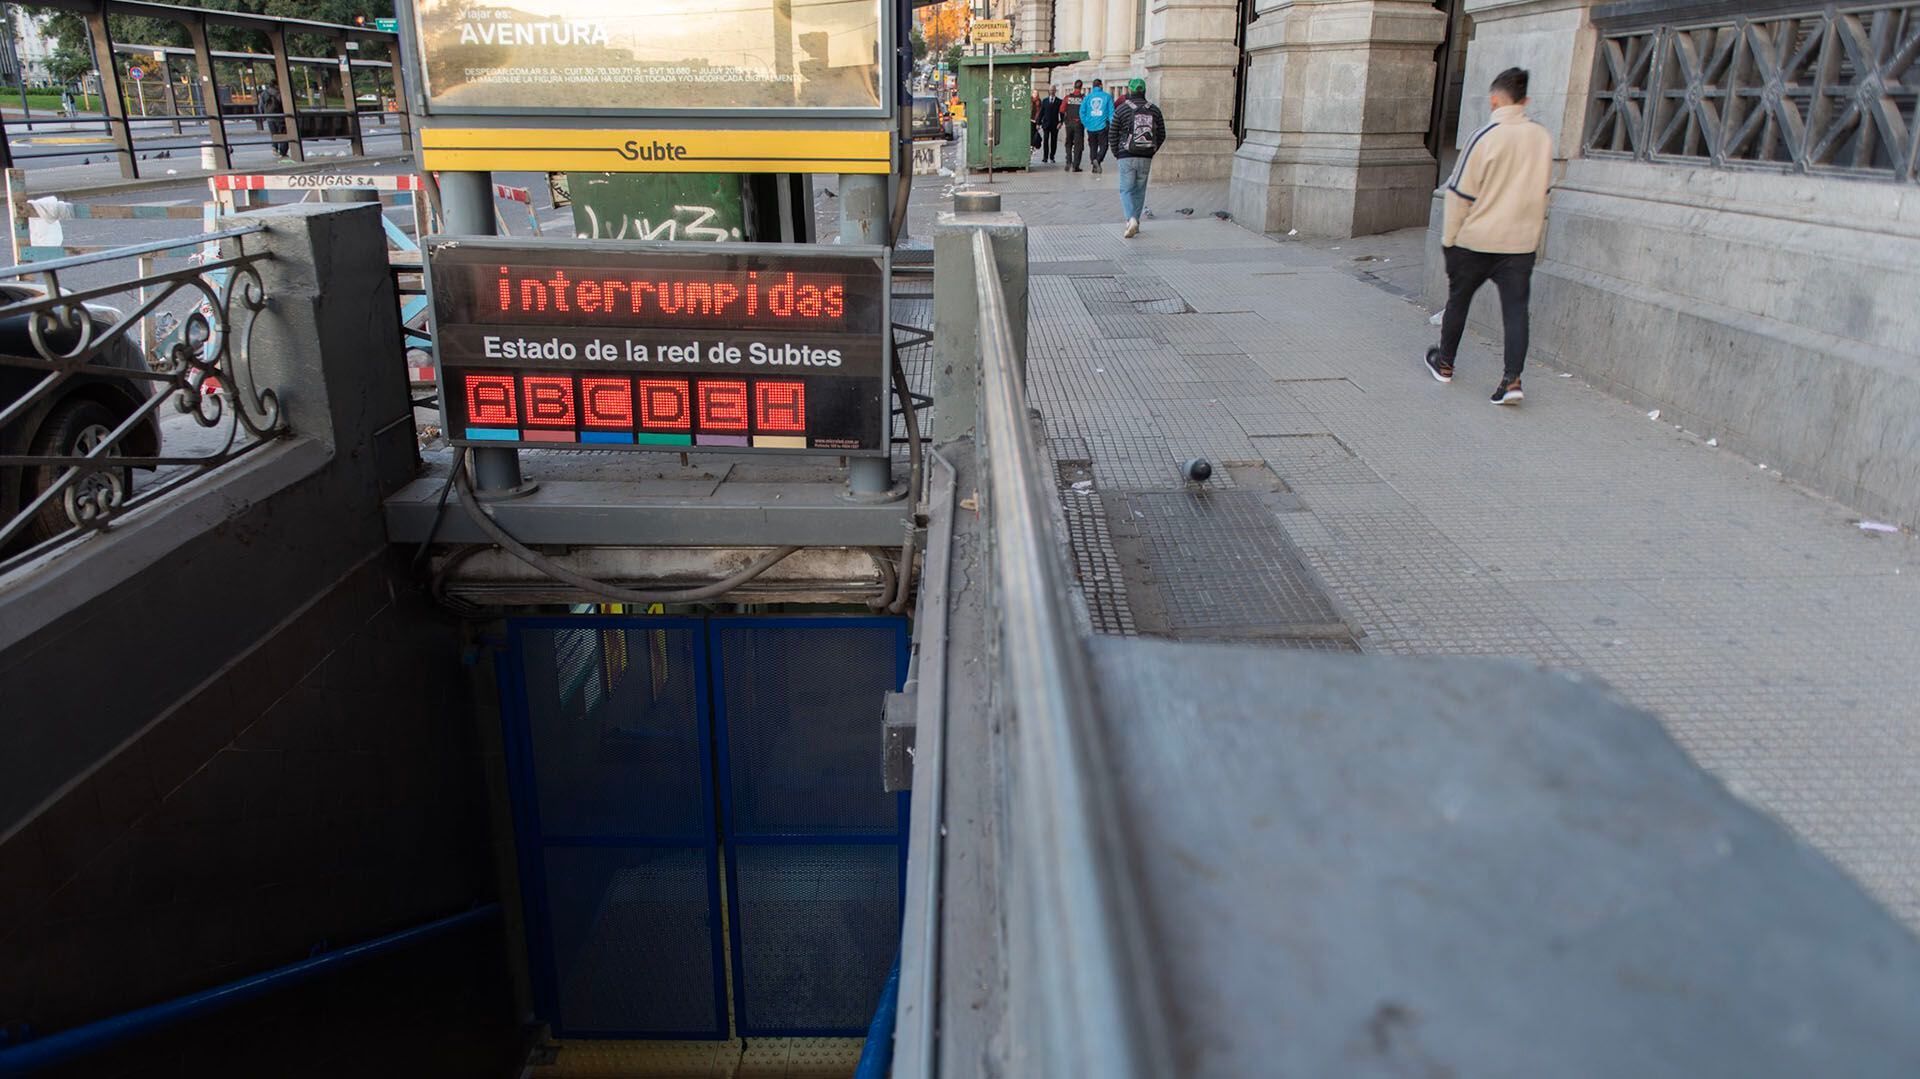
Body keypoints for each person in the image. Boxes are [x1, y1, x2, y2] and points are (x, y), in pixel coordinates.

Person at [1425, 66, 1553, 406]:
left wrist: (1449, 241)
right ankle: (1512, 381)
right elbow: (1544, 192)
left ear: (1494, 100)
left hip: (1477, 241)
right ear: (1524, 101)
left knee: (1458, 302)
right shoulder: (1541, 138)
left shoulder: (1485, 136)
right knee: (1515, 312)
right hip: (1520, 243)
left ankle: (1446, 363)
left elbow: (1459, 193)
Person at [1109, 78, 1164, 239]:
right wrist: (1152, 151)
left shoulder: (1121, 110)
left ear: (1130, 91)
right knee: (1139, 190)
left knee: (1126, 189)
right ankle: (1137, 222)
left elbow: (1113, 133)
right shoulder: (1154, 110)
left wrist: (1117, 153)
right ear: (1144, 91)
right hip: (1146, 156)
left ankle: (1130, 219)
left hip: (1126, 155)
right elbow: (1162, 134)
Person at [1081, 78, 1114, 174]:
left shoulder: (1087, 97)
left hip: (1090, 126)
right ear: (1101, 86)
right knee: (1104, 146)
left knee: (1092, 147)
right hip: (1102, 125)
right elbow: (1112, 113)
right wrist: (1112, 125)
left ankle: (1094, 165)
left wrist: (1086, 123)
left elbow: (1082, 112)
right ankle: (1098, 160)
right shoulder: (1107, 97)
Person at [1062, 79, 1087, 172]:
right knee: (1078, 145)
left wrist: (1063, 120)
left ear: (1074, 86)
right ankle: (1075, 166)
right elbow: (1086, 110)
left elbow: (1062, 110)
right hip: (1079, 124)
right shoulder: (1083, 98)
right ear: (1081, 87)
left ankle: (1068, 161)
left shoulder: (1068, 97)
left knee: (1068, 143)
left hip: (1069, 123)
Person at [257, 82, 288, 157]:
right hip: (280, 117)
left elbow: (261, 105)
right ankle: (283, 152)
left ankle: (274, 147)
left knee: (273, 134)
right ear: (276, 85)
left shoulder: (264, 93)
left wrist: (263, 115)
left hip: (270, 117)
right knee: (284, 134)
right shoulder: (280, 93)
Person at [1037, 85, 1062, 164]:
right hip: (1046, 124)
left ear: (1055, 91)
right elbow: (1041, 113)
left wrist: (1061, 122)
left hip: (1055, 125)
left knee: (1053, 141)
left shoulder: (1059, 101)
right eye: (1050, 90)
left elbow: (1061, 113)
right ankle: (1045, 157)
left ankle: (1052, 157)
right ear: (1049, 91)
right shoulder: (1045, 101)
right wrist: (1038, 123)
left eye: (1053, 90)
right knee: (1045, 141)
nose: (1052, 91)